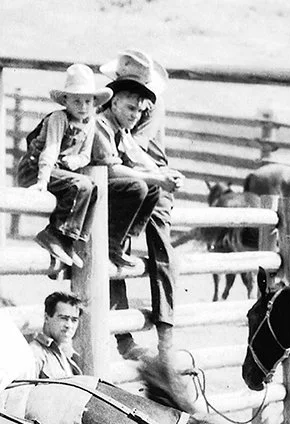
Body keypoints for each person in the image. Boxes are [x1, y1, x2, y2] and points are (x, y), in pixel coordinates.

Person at [99, 50, 180, 357]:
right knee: (114, 241)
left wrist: (160, 178)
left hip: (151, 177)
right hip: (131, 177)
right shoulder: (115, 105)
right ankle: (122, 335)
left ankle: (165, 335)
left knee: (160, 246)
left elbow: (136, 148)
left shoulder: (147, 107)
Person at [17, 64, 112, 270]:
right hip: (36, 170)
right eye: (77, 100)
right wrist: (42, 181)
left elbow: (86, 155)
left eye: (88, 101)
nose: (83, 106)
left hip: (60, 173)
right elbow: (50, 150)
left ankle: (69, 243)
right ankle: (52, 234)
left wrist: (75, 161)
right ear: (65, 100)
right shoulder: (58, 118)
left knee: (94, 188)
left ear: (94, 102)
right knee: (81, 184)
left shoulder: (90, 123)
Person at [29, 291, 83, 379]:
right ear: (46, 318)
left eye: (74, 320)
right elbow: (24, 391)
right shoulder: (36, 354)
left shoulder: (69, 357)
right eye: (63, 318)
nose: (69, 325)